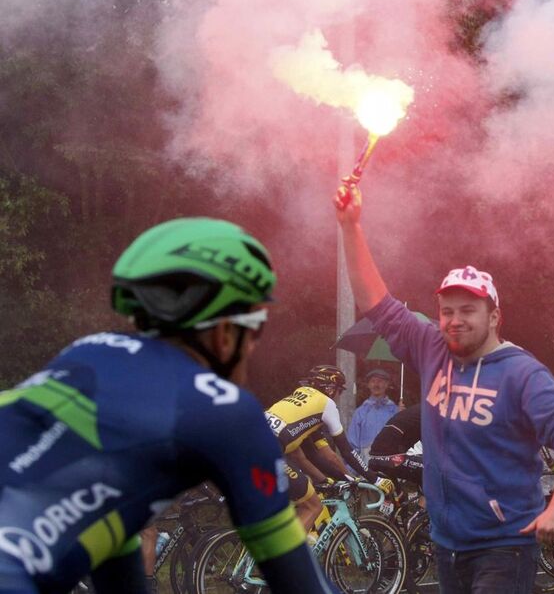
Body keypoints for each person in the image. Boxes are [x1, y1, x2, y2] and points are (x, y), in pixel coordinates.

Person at [0, 218, 334, 594]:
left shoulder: (88, 351)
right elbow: (298, 580)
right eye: (255, 326)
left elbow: (114, 539)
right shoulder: (227, 410)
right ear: (226, 331)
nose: (254, 345)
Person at [334, 184, 554, 594]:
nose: (454, 320)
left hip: (504, 544)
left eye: (468, 311)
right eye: (447, 311)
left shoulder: (522, 373)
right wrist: (351, 226)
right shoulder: (430, 346)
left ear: (494, 316)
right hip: (447, 543)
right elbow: (375, 301)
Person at [265, 365, 391, 533]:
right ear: (331, 389)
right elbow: (346, 451)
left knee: (295, 501)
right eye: (339, 390)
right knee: (313, 507)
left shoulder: (301, 400)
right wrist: (374, 479)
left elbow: (309, 455)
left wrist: (326, 480)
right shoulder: (327, 404)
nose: (339, 396)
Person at [348, 369, 399, 464]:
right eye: (373, 381)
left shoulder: (395, 411)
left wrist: (402, 414)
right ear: (368, 385)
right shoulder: (360, 412)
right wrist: (353, 468)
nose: (376, 385)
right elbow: (352, 444)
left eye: (380, 381)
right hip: (366, 461)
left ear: (387, 384)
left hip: (389, 459)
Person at [368, 404, 424, 486]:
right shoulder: (430, 414)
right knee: (432, 470)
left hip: (376, 458)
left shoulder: (419, 411)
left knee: (399, 496)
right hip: (391, 458)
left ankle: (400, 495)